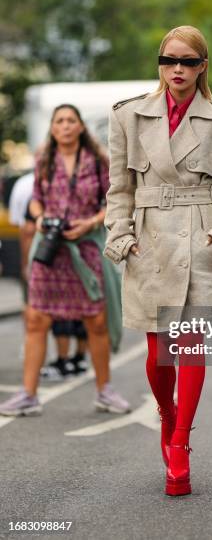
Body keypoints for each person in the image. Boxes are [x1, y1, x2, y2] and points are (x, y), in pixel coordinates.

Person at [103, 25, 212, 496]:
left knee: (188, 345)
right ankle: (167, 417)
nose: (178, 70)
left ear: (203, 66)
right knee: (156, 352)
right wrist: (121, 237)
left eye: (189, 61)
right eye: (170, 60)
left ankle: (181, 444)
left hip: (199, 243)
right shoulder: (128, 117)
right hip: (148, 243)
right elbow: (119, 189)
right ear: (160, 64)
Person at [0, 104, 130, 417]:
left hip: (85, 247)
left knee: (95, 320)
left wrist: (90, 223)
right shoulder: (44, 157)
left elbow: (114, 202)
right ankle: (28, 395)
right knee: (36, 319)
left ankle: (105, 391)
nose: (66, 126)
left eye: (71, 120)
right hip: (50, 247)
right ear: (53, 128)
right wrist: (41, 218)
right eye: (60, 121)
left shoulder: (99, 160)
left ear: (81, 127)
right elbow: (36, 200)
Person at [8, 171, 89, 380]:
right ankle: (78, 358)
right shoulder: (80, 179)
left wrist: (26, 264)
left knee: (44, 310)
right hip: (82, 253)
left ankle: (60, 360)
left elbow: (25, 230)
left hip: (47, 255)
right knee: (83, 308)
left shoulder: (28, 185)